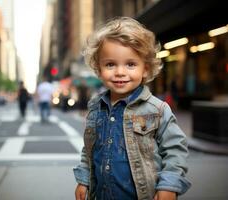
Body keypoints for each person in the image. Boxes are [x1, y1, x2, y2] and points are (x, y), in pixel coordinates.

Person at [73, 17, 191, 200]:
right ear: (98, 68)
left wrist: (169, 185)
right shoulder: (95, 108)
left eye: (130, 64)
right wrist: (83, 180)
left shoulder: (157, 109)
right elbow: (88, 150)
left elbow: (175, 150)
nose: (120, 72)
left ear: (145, 69)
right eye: (110, 64)